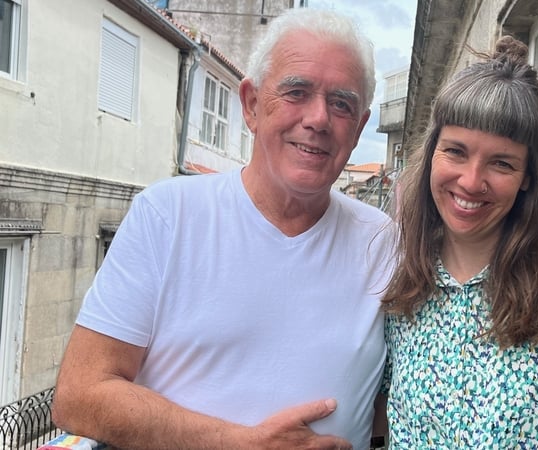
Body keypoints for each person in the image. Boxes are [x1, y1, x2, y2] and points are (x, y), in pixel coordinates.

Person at [52, 8, 395, 450]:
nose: (319, 119)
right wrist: (240, 442)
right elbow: (79, 395)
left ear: (360, 127)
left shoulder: (384, 241)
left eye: (342, 104)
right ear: (251, 104)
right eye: (296, 91)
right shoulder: (168, 216)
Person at [380, 36, 538, 449]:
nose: (472, 181)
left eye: (501, 163)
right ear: (431, 156)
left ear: (528, 177)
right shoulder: (400, 283)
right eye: (456, 152)